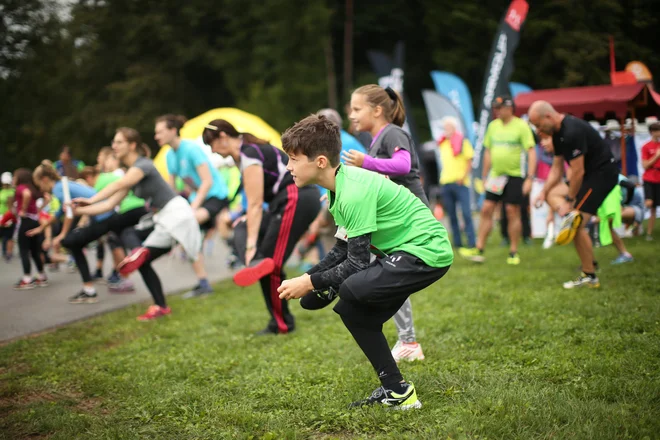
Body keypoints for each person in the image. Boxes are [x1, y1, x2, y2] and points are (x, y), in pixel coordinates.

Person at [277, 114, 453, 409]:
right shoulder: (339, 188)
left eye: (293, 159)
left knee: (352, 287)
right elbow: (341, 250)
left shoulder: (353, 191)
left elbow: (357, 264)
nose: (288, 166)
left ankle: (334, 288)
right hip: (406, 253)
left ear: (320, 161)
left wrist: (310, 282)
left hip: (427, 251)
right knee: (351, 311)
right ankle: (397, 391)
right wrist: (310, 278)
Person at [202, 119, 321, 335]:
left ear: (222, 137)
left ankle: (282, 324)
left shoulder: (249, 153)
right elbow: (252, 205)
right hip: (285, 202)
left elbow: (255, 204)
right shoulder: (246, 154)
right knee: (242, 226)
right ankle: (257, 262)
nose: (212, 150)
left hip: (295, 198)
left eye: (211, 144)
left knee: (271, 266)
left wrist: (249, 246)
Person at [73, 127, 202, 320]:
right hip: (164, 218)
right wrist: (80, 209)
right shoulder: (133, 172)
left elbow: (118, 184)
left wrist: (90, 200)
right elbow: (109, 203)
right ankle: (160, 305)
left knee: (137, 249)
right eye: (113, 142)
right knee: (139, 254)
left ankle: (140, 259)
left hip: (176, 215)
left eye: (119, 142)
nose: (114, 146)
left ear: (132, 145)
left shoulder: (143, 165)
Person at [343, 84, 430, 362]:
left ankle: (409, 342)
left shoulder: (393, 132)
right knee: (387, 277)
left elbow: (403, 166)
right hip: (398, 221)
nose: (352, 115)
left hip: (411, 219)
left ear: (377, 110)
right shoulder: (378, 138)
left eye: (357, 109)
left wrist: (366, 162)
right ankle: (407, 341)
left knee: (389, 278)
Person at [529, 101, 619, 289]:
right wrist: (543, 192)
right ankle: (590, 266)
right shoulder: (557, 133)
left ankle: (589, 274)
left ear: (548, 116)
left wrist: (569, 201)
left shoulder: (572, 131)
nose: (538, 130)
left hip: (602, 175)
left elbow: (577, 171)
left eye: (538, 125)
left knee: (575, 222)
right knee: (557, 199)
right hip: (589, 176)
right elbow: (557, 167)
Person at [157, 114, 229, 298]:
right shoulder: (169, 156)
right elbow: (171, 189)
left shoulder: (190, 149)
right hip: (198, 200)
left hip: (215, 195)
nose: (156, 136)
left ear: (173, 131)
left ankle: (235, 249)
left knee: (188, 224)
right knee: (187, 232)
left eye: (160, 132)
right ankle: (203, 283)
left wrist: (192, 207)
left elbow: (207, 181)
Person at [466, 96, 536, 265]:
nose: (496, 111)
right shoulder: (493, 126)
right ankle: (479, 247)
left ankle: (513, 251)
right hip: (496, 176)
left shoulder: (521, 125)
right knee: (486, 209)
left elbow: (531, 152)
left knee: (513, 211)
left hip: (515, 175)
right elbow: (488, 152)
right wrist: (484, 175)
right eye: (495, 108)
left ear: (510, 108)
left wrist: (529, 178)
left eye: (499, 108)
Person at [436, 116, 477, 255]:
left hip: (460, 183)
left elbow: (469, 161)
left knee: (466, 213)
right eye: (444, 127)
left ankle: (472, 242)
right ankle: (457, 243)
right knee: (452, 215)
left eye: (448, 127)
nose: (446, 130)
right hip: (446, 182)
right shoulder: (442, 143)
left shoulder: (463, 142)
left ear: (454, 128)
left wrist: (463, 177)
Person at [12, 168, 48, 289]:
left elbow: (26, 195)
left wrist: (23, 209)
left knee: (24, 250)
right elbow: (47, 198)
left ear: (19, 178)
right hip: (35, 220)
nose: (13, 179)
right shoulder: (33, 188)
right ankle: (41, 276)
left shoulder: (21, 188)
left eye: (14, 176)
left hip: (26, 220)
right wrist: (39, 209)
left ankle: (27, 279)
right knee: (35, 251)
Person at [641, 121, 660, 240]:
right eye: (657, 130)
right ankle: (637, 219)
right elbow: (645, 165)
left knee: (654, 208)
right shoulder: (646, 146)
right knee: (649, 203)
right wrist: (657, 156)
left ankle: (649, 234)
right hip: (649, 178)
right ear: (652, 132)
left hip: (659, 178)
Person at [0, 172, 16, 262]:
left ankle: (8, 253)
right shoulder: (1, 191)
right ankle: (4, 251)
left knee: (8, 235)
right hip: (1, 215)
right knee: (2, 235)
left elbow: (12, 206)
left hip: (9, 215)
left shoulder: (12, 192)